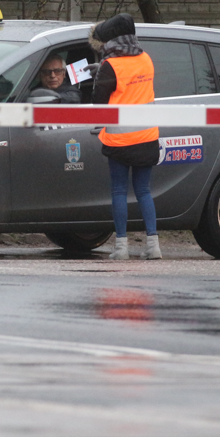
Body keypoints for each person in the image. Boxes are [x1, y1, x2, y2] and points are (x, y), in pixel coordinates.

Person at [89, 13, 161, 260]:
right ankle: (153, 246)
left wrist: (99, 73)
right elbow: (132, 83)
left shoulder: (111, 65)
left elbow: (99, 102)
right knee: (144, 191)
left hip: (119, 140)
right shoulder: (146, 59)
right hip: (148, 137)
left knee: (119, 191)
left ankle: (121, 247)